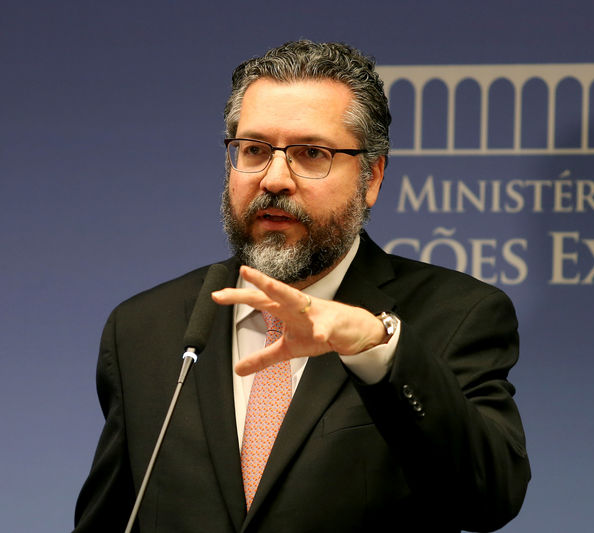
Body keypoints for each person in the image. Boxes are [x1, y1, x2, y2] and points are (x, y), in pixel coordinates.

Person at [73, 40, 530, 533]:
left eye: (310, 154)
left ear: (371, 178)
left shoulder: (456, 315)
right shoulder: (144, 328)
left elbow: (489, 497)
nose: (274, 179)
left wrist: (377, 351)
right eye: (253, 150)